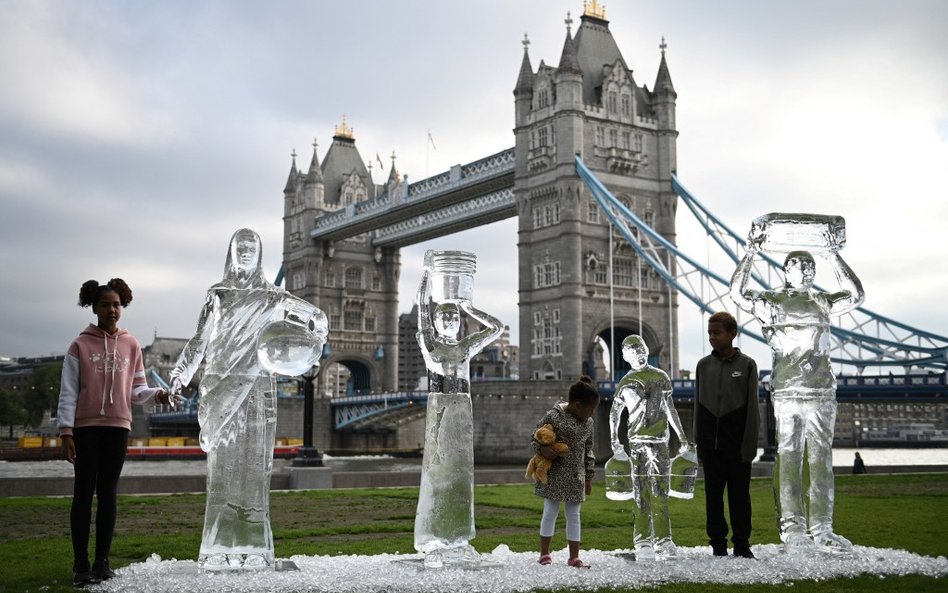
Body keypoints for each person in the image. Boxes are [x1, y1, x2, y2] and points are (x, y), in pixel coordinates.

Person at [170, 229, 327, 570]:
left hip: (257, 388)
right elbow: (200, 341)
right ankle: (217, 548)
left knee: (255, 471)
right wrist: (180, 375)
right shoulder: (219, 294)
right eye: (239, 246)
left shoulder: (274, 297)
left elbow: (318, 318)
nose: (244, 252)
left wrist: (310, 348)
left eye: (250, 247)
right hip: (221, 384)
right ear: (230, 251)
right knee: (222, 472)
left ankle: (254, 547)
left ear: (259, 254)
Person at [731, 243, 864, 553]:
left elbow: (857, 295)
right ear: (785, 272)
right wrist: (750, 252)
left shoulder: (823, 300)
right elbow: (738, 293)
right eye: (798, 266)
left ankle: (823, 529)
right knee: (789, 458)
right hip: (789, 390)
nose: (805, 270)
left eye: (810, 267)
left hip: (822, 390)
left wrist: (833, 254)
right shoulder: (773, 300)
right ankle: (793, 530)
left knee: (822, 461)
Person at [57, 278, 172, 587]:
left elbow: (136, 390)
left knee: (108, 495)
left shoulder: (131, 344)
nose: (111, 310)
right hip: (85, 428)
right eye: (106, 305)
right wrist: (65, 431)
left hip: (117, 427)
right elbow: (68, 392)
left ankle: (102, 562)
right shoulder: (79, 345)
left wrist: (156, 395)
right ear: (94, 308)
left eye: (116, 305)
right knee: (83, 494)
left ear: (123, 307)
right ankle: (81, 565)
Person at [607, 335, 690, 560]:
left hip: (659, 442)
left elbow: (670, 408)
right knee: (640, 494)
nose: (639, 354)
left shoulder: (661, 377)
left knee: (660, 491)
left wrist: (682, 437)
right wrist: (615, 439)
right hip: (636, 444)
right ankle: (642, 541)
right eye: (633, 351)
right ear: (625, 357)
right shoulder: (625, 382)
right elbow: (615, 413)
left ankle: (663, 540)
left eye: (641, 349)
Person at [694, 311, 760, 559]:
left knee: (740, 499)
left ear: (733, 334)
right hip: (711, 446)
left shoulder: (748, 365)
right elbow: (698, 406)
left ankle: (742, 545)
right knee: (713, 498)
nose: (712, 337)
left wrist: (749, 447)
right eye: (710, 333)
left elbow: (753, 411)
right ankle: (718, 545)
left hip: (737, 446)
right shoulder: (703, 366)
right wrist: (698, 443)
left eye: (717, 333)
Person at [534, 376, 600, 568]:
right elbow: (535, 437)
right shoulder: (553, 416)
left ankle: (574, 557)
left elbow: (589, 450)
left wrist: (588, 477)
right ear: (578, 405)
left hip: (576, 476)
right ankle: (544, 553)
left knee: (574, 515)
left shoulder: (588, 423)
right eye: (591, 408)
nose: (592, 413)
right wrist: (542, 450)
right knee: (550, 512)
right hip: (554, 473)